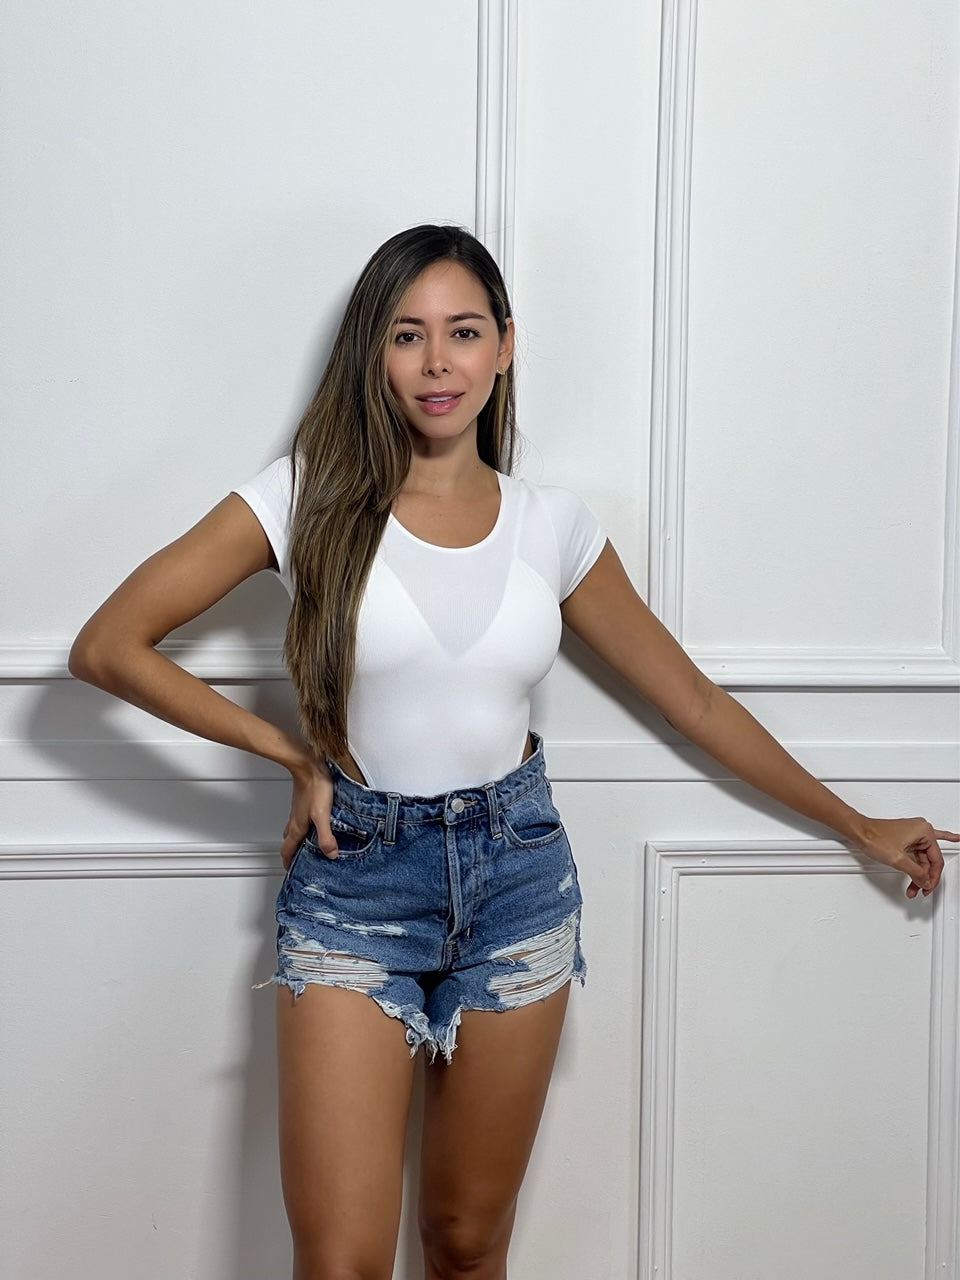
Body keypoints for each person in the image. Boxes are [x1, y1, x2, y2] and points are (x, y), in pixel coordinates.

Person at [69, 224, 958, 1280]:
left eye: (463, 331)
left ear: (505, 345)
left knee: (466, 1242)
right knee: (343, 1260)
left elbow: (695, 701)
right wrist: (291, 755)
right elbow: (109, 645)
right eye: (407, 335)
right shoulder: (305, 496)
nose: (436, 362)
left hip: (518, 880)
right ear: (373, 351)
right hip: (355, 884)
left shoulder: (552, 525)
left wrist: (859, 822)